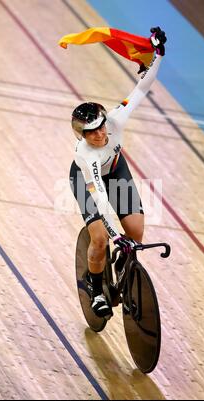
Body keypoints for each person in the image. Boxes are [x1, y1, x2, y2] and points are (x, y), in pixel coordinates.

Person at [69, 27, 167, 318]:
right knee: (99, 238)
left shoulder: (115, 120)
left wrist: (158, 55)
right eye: (90, 133)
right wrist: (113, 234)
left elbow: (141, 88)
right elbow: (99, 195)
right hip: (88, 181)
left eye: (100, 127)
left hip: (116, 169)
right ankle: (96, 287)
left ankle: (123, 268)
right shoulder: (85, 155)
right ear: (81, 136)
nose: (99, 135)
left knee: (135, 233)